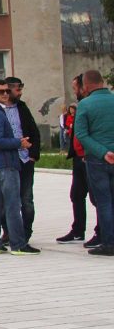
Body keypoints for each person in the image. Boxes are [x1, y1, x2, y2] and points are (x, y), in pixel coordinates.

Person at [0, 79, 38, 255]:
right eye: (1, 91)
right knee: (13, 204)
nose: (5, 94)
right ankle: (18, 244)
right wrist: (19, 143)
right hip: (5, 164)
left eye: (7, 91)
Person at [73, 70, 114, 256]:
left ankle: (108, 243)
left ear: (86, 86)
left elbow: (81, 134)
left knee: (103, 202)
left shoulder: (85, 104)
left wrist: (102, 152)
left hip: (97, 159)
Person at [57, 76, 99, 245]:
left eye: (75, 88)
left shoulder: (90, 105)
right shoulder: (81, 105)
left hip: (89, 156)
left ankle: (102, 231)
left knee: (97, 197)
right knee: (76, 194)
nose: (74, 92)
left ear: (84, 87)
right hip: (78, 157)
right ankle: (78, 230)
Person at [3, 76, 40, 243]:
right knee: (6, 199)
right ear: (8, 89)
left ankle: (25, 233)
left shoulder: (22, 107)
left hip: (25, 160)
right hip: (7, 161)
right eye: (18, 89)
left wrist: (33, 155)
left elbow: (34, 132)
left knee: (26, 199)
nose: (20, 93)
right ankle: (8, 232)